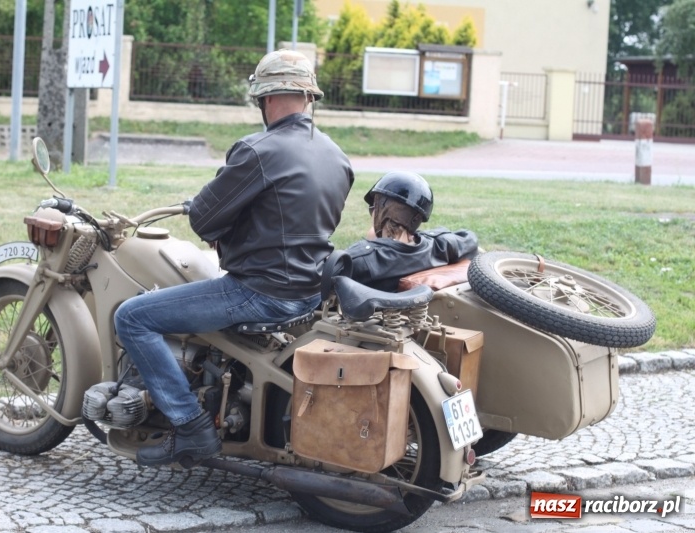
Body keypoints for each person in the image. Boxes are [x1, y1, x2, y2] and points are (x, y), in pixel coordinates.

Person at [113, 49, 354, 468]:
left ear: (266, 98)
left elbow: (205, 218)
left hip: (258, 291)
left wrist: (205, 213)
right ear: (307, 97)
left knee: (132, 318)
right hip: (308, 290)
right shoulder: (337, 156)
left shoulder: (258, 150)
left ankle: (191, 427)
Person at [346, 171, 478, 292]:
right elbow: (470, 239)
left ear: (381, 211)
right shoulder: (440, 246)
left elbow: (328, 281)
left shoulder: (361, 261)